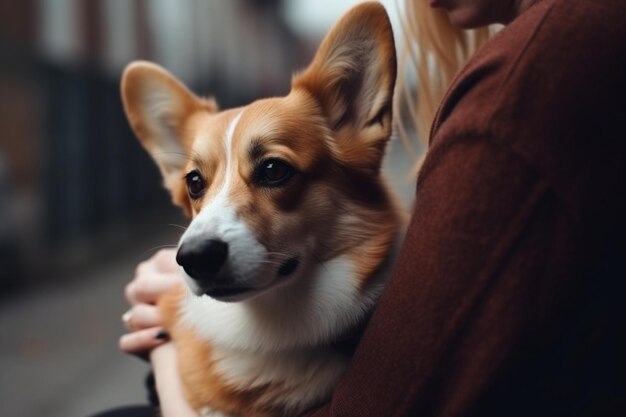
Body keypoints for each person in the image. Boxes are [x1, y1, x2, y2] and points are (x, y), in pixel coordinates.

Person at [116, 0, 625, 416]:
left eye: (272, 171)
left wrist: (164, 354)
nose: (199, 240)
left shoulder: (533, 74)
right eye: (198, 183)